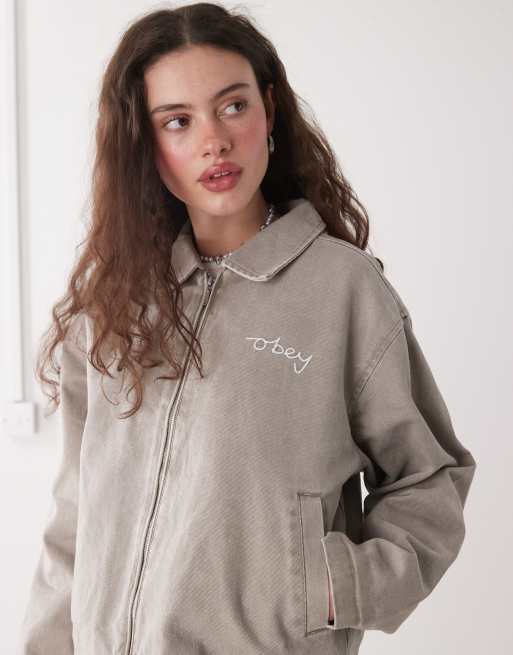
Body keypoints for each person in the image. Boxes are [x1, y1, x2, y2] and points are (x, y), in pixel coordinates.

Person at [17, 3, 477, 654]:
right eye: (178, 121)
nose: (213, 140)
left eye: (232, 106)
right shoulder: (113, 301)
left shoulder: (340, 291)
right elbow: (76, 515)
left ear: (269, 110)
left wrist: (331, 588)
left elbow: (429, 477)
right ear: (147, 145)